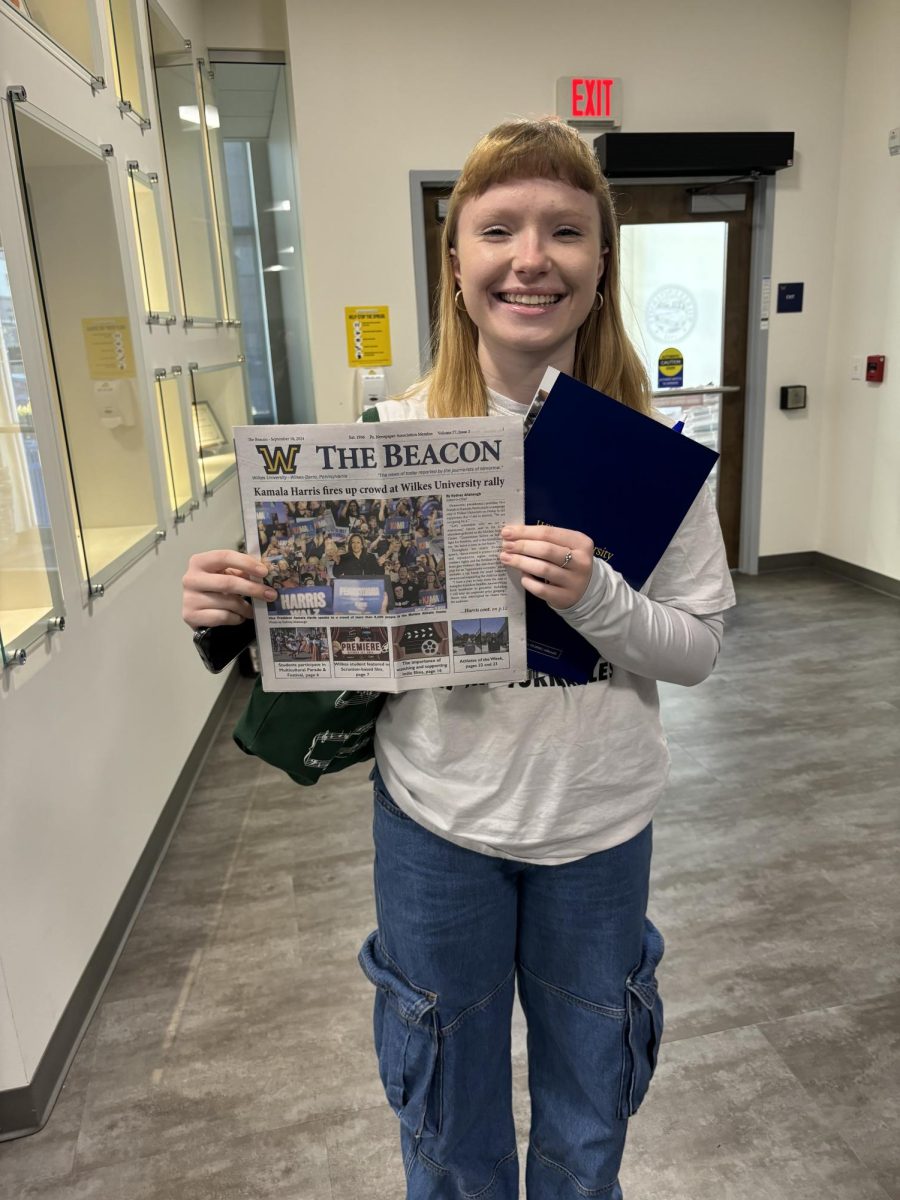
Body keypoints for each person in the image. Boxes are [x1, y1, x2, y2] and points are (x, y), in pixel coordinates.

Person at [181, 117, 735, 1200]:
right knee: (445, 1122)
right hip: (437, 825)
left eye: (565, 231)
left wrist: (601, 598)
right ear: (456, 263)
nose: (532, 257)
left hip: (600, 826)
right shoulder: (387, 438)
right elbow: (318, 634)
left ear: (600, 263)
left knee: (586, 1128)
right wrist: (228, 616)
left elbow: (701, 651)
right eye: (499, 230)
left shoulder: (651, 453)